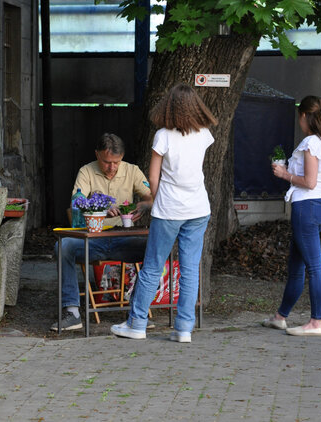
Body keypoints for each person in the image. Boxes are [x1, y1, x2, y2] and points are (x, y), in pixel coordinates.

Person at [110, 83, 217, 342]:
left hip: (169, 210)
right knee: (190, 268)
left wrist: (154, 201)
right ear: (195, 107)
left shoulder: (163, 136)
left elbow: (153, 180)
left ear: (168, 107)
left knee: (153, 267)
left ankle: (137, 324)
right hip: (198, 209)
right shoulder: (204, 134)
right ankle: (184, 329)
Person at [52, 133, 153, 331]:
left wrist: (144, 206)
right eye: (107, 162)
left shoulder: (132, 171)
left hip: (124, 239)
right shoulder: (86, 171)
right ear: (97, 154)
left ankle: (137, 311)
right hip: (94, 240)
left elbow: (152, 197)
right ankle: (71, 313)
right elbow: (76, 201)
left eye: (116, 162)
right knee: (63, 246)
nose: (112, 167)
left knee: (155, 246)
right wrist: (98, 210)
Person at [262, 96, 321, 336]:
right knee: (296, 266)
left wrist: (285, 174)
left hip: (305, 208)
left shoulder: (310, 143)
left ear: (305, 116)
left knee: (314, 267)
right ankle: (280, 317)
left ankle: (317, 322)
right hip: (320, 207)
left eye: (300, 116)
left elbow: (309, 181)